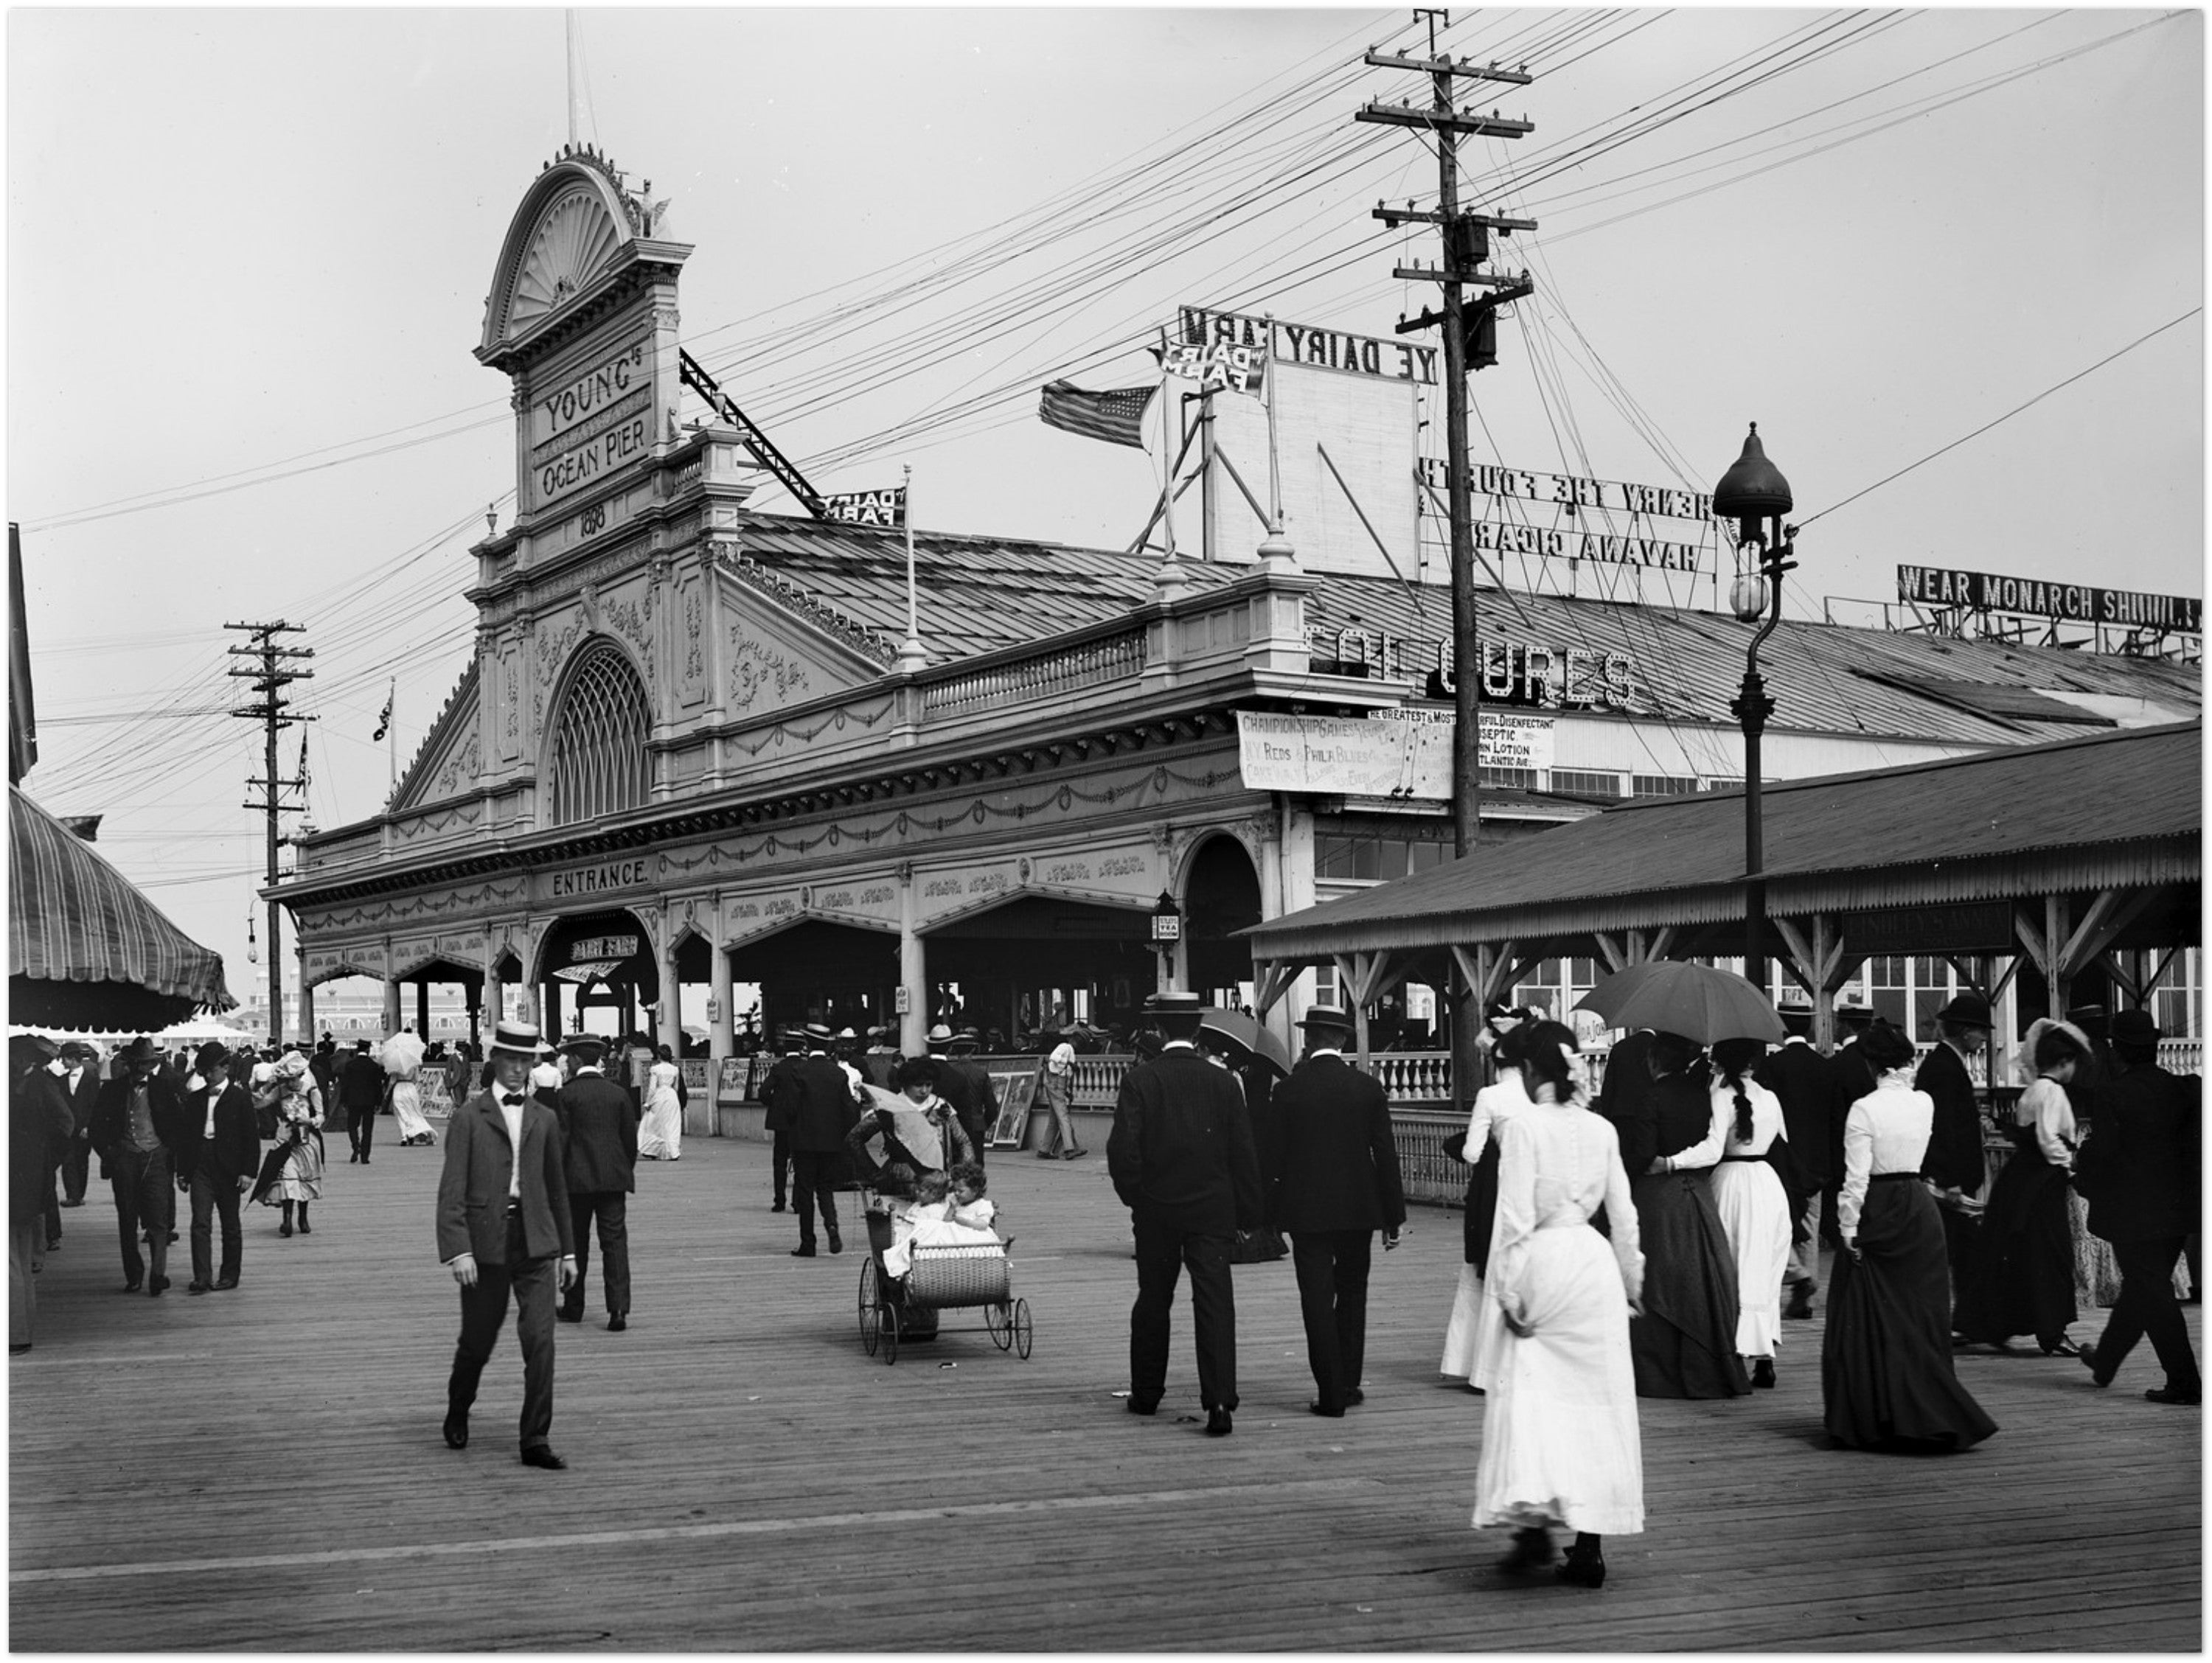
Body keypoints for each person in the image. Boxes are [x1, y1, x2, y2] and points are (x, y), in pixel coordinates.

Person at [1472, 1021, 1644, 1591]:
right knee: (1598, 1405)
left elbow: (1515, 1219)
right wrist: (1631, 1280)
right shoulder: (1601, 1128)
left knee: (1534, 1402)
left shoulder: (1523, 1128)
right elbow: (1624, 1214)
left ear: (1530, 1072)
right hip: (1593, 1270)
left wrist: (1507, 1292)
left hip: (1543, 1264)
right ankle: (1588, 1546)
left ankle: (1536, 1525)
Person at [1822, 1021, 1997, 1453]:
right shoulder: (1924, 1103)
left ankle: (1878, 1414)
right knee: (1919, 1314)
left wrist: (1847, 1227)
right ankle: (1931, 1406)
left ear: (1870, 1063)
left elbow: (1856, 1177)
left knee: (1866, 1313)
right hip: (1919, 1208)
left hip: (1879, 1207)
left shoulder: (1864, 1109)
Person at [1107, 991, 1264, 1437]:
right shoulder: (1223, 1082)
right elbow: (1243, 1152)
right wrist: (1249, 1213)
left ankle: (1147, 1392)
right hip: (1212, 1210)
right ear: (1197, 1032)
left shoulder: (1141, 1080)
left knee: (1154, 1300)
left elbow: (1123, 1151)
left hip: (1157, 1210)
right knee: (1214, 1303)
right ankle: (1218, 1401)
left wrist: (1137, 1198)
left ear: (1157, 1030)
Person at [435, 1019, 577, 1470]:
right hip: (484, 1246)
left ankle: (535, 1438)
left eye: (526, 1062)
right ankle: (459, 1408)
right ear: (495, 1061)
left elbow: (558, 1189)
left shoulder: (545, 1118)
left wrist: (569, 1251)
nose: (519, 1070)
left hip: (535, 1243)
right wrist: (458, 1250)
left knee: (541, 1342)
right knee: (477, 1342)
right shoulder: (467, 1119)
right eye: (511, 1060)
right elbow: (451, 1190)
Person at [1265, 1003, 1405, 1418]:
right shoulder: (1367, 1088)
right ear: (1343, 1040)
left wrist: (1268, 1213)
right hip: (1358, 1209)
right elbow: (1385, 1154)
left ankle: (1329, 1391)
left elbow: (1273, 1158)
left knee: (1316, 1298)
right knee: (1353, 1292)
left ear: (1308, 1039)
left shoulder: (1288, 1090)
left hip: (1306, 1212)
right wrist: (1392, 1215)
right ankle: (1348, 1382)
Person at [2076, 1008, 2200, 1404]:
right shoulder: (2186, 1089)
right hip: (2178, 1211)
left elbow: (2105, 1153)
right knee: (2145, 1287)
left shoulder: (2113, 1094)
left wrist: (2082, 1168)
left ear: (2116, 1051)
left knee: (2151, 1290)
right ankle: (2106, 1360)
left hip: (2133, 1213)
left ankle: (2185, 1382)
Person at [1618, 1031, 1750, 1399]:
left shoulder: (1650, 1097)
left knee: (1658, 1277)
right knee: (1699, 1277)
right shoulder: (1702, 1095)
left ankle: (1657, 1371)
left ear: (1654, 1061)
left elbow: (1643, 1152)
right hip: (1699, 1194)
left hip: (1659, 1195)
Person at [1951, 1018, 2089, 1356]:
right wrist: (2071, 1168)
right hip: (2042, 1183)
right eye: (2072, 1063)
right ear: (2063, 1063)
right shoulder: (2052, 1091)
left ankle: (1994, 1323)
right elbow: (2048, 1139)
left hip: (2019, 1181)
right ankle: (2052, 1330)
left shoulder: (2032, 1091)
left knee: (2013, 1252)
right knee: (2050, 1254)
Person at [1441, 1010, 1537, 1388]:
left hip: (1495, 1189)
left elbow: (1472, 1152)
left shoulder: (1491, 1095)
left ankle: (1479, 1366)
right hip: (1533, 1190)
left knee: (1488, 1267)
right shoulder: (1536, 1095)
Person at [1707, 1038, 1792, 1388]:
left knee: (1733, 1265)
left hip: (1731, 1182)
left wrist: (1673, 1161)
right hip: (1767, 1184)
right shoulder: (1770, 1098)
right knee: (1764, 1270)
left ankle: (1735, 1349)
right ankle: (1765, 1355)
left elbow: (1712, 1148)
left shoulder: (1720, 1096)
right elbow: (1780, 1140)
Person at [554, 1035, 639, 1332]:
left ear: (577, 1060)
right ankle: (618, 1310)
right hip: (613, 1180)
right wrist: (621, 1170)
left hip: (576, 1183)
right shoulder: (617, 1094)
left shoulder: (567, 1095)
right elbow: (630, 1141)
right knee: (614, 1244)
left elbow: (559, 1143)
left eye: (568, 1058)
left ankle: (574, 1305)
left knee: (575, 1243)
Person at [90, 1036, 188, 1295]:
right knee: (127, 1218)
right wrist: (110, 1153)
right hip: (124, 1159)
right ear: (130, 1063)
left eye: (147, 1063)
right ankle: (133, 1274)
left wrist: (168, 1150)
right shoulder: (112, 1089)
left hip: (156, 1158)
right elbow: (97, 1126)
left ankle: (158, 1275)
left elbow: (179, 1124)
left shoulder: (163, 1087)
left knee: (158, 1220)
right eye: (140, 1063)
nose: (143, 1068)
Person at [1756, 1005, 1833, 1319]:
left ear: (1782, 1030)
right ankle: (1808, 1296)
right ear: (1811, 1030)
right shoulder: (1825, 1066)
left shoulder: (1772, 1067)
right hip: (1817, 1161)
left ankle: (1788, 1281)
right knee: (1811, 1228)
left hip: (1783, 1162)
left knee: (1778, 1225)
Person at [1916, 993, 1993, 1295]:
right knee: (1954, 1251)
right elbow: (1943, 1127)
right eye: (1981, 1031)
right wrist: (1950, 1180)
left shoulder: (1945, 1063)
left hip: (1953, 1178)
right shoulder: (1945, 1068)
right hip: (1951, 1182)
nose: (1984, 1039)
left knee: (1958, 1252)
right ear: (1965, 1031)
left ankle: (1961, 1319)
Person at [175, 1042, 260, 1294]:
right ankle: (202, 1276)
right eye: (203, 1072)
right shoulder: (195, 1099)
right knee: (200, 1221)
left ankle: (229, 1275)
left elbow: (251, 1138)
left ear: (225, 1067)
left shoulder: (240, 1098)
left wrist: (248, 1172)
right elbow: (186, 1137)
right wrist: (182, 1171)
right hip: (201, 1163)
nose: (207, 1077)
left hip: (230, 1167)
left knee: (230, 1223)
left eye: (211, 1071)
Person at [11, 1036, 74, 1350]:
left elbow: (66, 1124)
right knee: (20, 1258)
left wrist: (48, 1161)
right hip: (28, 1180)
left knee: (11, 1260)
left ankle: (15, 1334)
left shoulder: (29, 1087)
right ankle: (20, 1330)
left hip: (19, 1179)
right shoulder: (35, 1084)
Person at [785, 1023, 864, 1258]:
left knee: (805, 1190)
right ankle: (831, 1224)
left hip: (804, 1143)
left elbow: (791, 1108)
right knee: (825, 1189)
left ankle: (808, 1243)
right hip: (832, 1144)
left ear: (807, 1045)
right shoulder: (838, 1074)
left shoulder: (799, 1071)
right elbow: (849, 1111)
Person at [847, 1057, 973, 1181]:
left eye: (928, 1085)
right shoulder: (890, 1107)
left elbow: (963, 1141)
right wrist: (873, 1173)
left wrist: (961, 1175)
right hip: (899, 1181)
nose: (924, 1091)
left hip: (936, 1179)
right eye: (918, 1085)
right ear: (905, 1085)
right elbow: (854, 1138)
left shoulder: (941, 1106)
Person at [251, 1051, 326, 1235]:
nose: (290, 1084)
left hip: (306, 1140)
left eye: (293, 1080)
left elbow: (321, 1115)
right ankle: (287, 1219)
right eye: (287, 1080)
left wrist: (309, 1121)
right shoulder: (280, 1090)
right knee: (287, 1176)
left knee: (304, 1178)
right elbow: (258, 1104)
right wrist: (267, 1085)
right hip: (285, 1139)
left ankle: (303, 1217)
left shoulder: (311, 1089)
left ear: (300, 1076)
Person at [757, 1031, 805, 1213]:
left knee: (780, 1162)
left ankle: (779, 1201)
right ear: (802, 1048)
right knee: (800, 1162)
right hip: (801, 1122)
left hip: (781, 1123)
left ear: (785, 1048)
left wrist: (775, 1105)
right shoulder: (805, 1067)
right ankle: (798, 1202)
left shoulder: (778, 1068)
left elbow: (763, 1092)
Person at [56, 1041, 101, 1211]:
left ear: (73, 1059)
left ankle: (79, 1194)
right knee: (68, 1161)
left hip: (84, 1129)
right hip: (68, 1129)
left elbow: (95, 1104)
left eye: (64, 1059)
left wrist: (89, 1126)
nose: (62, 1063)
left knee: (82, 1161)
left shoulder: (91, 1079)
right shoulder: (61, 1080)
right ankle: (72, 1195)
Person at [380, 1033, 439, 1148]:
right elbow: (416, 1079)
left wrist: (387, 1093)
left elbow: (392, 1081)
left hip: (399, 1088)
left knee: (401, 1112)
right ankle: (417, 1131)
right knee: (414, 1112)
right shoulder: (414, 1065)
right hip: (410, 1088)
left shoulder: (395, 1064)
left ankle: (405, 1135)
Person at [338, 1039, 386, 1165]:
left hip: (353, 1101)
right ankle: (365, 1157)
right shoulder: (374, 1066)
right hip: (369, 1102)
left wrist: (343, 1101)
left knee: (352, 1126)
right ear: (368, 1050)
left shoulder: (350, 1065)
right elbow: (378, 1086)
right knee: (367, 1129)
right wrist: (379, 1102)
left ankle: (356, 1146)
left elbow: (345, 1085)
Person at [1038, 1041, 1085, 1160]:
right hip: (1056, 1082)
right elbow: (1053, 1058)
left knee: (1054, 1120)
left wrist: (1067, 1093)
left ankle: (1044, 1149)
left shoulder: (1070, 1051)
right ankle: (1069, 1149)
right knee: (1064, 1117)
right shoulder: (1065, 1047)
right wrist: (1069, 1063)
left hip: (1057, 1084)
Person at [638, 1043, 684, 1161]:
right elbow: (677, 1087)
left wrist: (648, 1103)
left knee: (654, 1124)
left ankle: (652, 1149)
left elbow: (652, 1088)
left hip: (660, 1096)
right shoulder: (675, 1070)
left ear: (659, 1056)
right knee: (672, 1124)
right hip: (672, 1096)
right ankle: (673, 1151)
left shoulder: (655, 1069)